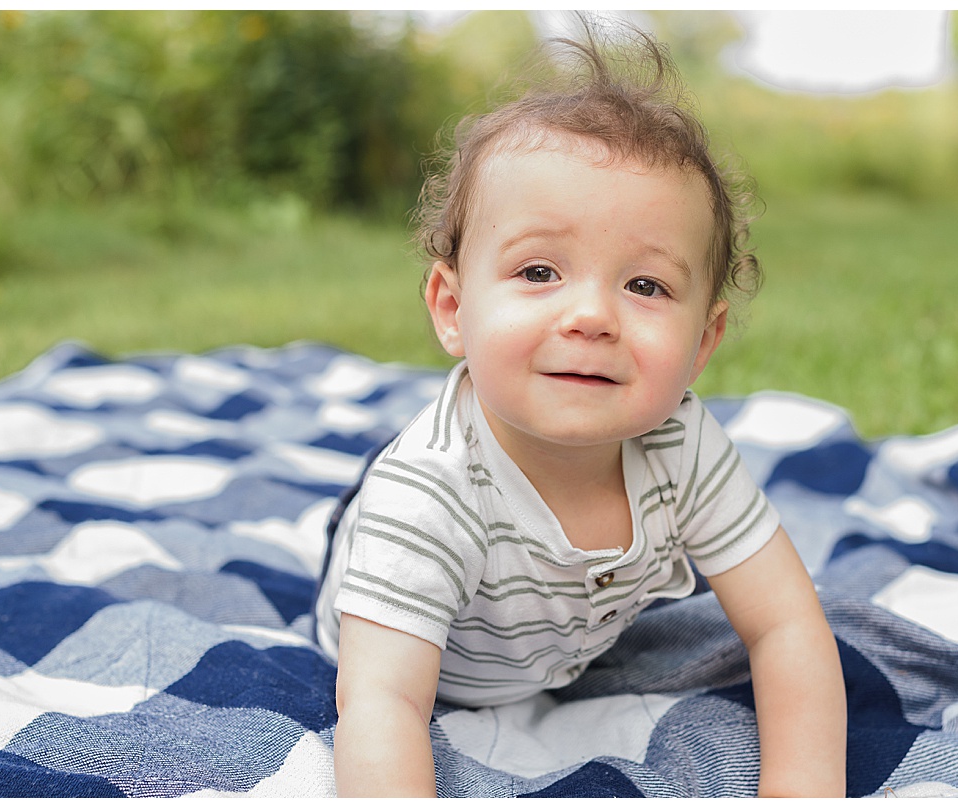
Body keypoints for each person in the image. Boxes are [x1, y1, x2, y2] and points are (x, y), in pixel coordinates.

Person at [313, 16, 847, 798]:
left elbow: (788, 626)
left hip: (545, 627)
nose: (591, 315)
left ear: (704, 340)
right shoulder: (424, 501)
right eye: (538, 271)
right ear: (453, 308)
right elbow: (382, 703)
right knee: (394, 598)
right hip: (402, 631)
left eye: (645, 286)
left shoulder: (682, 442)